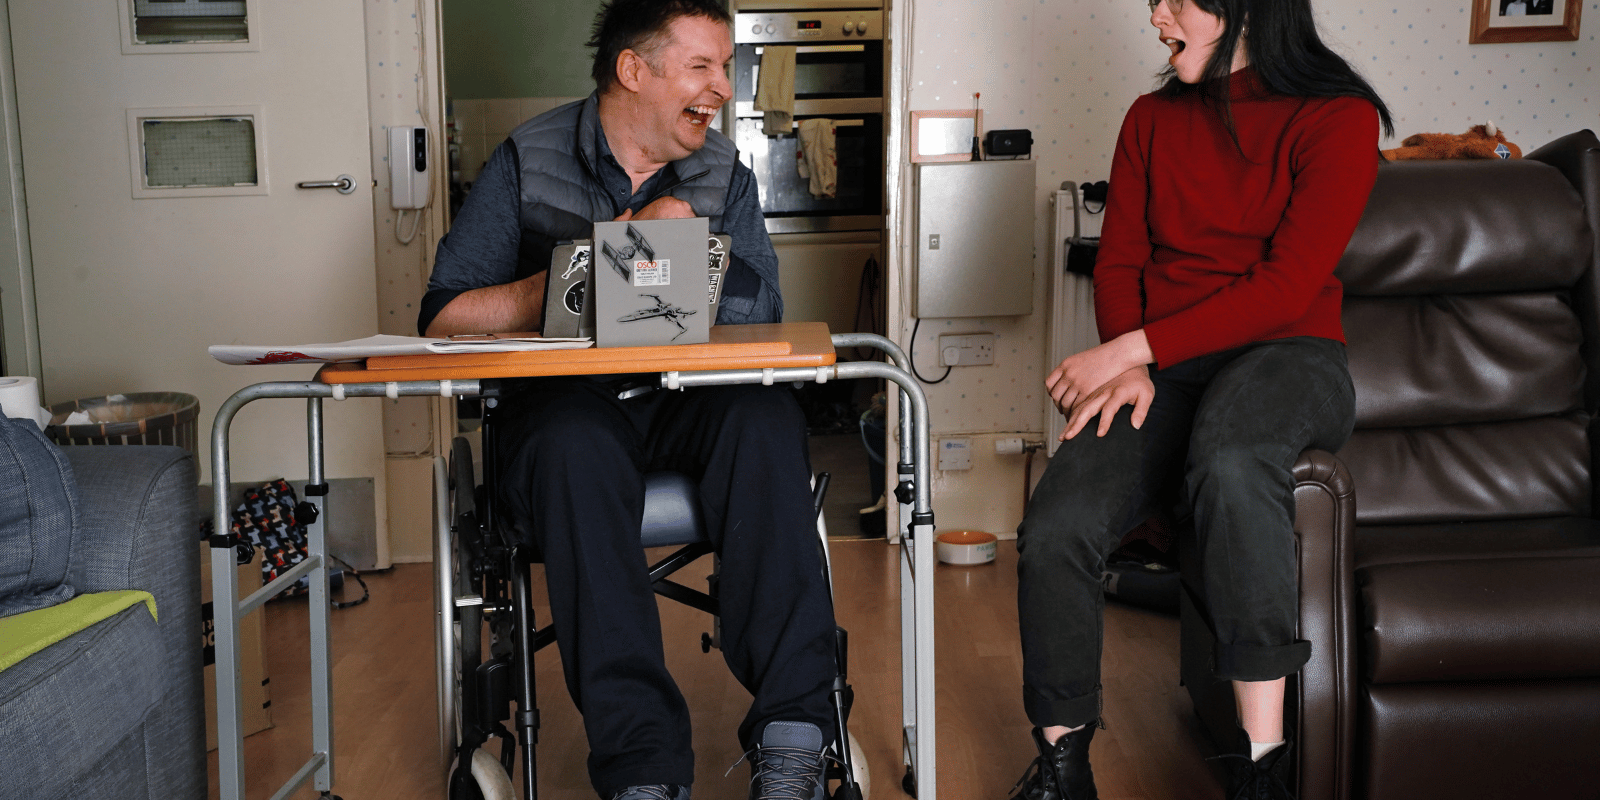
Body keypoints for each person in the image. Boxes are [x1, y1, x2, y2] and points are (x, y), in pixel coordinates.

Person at [419, 2, 839, 799]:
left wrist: (673, 257)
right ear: (633, 70)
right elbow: (443, 315)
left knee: (764, 418)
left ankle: (794, 742)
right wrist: (582, 269)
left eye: (725, 66)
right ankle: (643, 770)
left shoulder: (725, 176)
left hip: (694, 407)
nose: (722, 86)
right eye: (702, 66)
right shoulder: (527, 158)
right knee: (572, 447)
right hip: (568, 414)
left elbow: (762, 318)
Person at [1007, 0, 1392, 798]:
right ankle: (1063, 768)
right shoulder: (1150, 119)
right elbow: (1119, 263)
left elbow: (1287, 286)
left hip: (1290, 354)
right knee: (1057, 523)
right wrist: (1132, 368)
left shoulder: (1340, 116)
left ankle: (1263, 769)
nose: (1156, 15)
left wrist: (1131, 349)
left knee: (1231, 455)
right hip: (1164, 369)